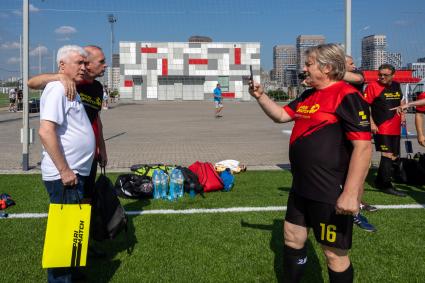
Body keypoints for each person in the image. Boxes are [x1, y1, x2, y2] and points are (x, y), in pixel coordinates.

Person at [249, 43, 372, 282]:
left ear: (326, 68)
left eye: (308, 64)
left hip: (329, 190)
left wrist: (350, 193)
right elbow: (282, 115)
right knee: (292, 237)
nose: (304, 69)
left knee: (334, 255)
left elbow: (364, 147)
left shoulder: (347, 96)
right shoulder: (309, 94)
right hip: (301, 186)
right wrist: (260, 96)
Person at [38, 45, 95, 283]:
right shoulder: (57, 88)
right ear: (62, 65)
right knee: (63, 236)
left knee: (73, 231)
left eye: (85, 63)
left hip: (74, 174)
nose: (84, 67)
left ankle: (72, 275)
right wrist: (64, 170)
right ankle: (62, 279)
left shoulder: (70, 88)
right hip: (65, 176)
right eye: (79, 63)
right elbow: (45, 131)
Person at [344, 56, 377, 232]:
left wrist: (371, 121)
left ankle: (356, 211)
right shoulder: (331, 83)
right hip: (338, 132)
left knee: (360, 171)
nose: (355, 66)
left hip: (358, 131)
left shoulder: (356, 76)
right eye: (351, 64)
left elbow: (358, 79)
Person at [364, 64, 406, 197]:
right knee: (387, 154)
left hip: (396, 126)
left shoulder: (396, 85)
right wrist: (371, 123)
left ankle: (380, 180)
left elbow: (400, 101)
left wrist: (403, 115)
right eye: (380, 74)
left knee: (393, 154)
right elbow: (365, 106)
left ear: (393, 75)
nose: (381, 77)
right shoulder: (372, 86)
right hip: (382, 127)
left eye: (385, 75)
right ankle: (385, 184)